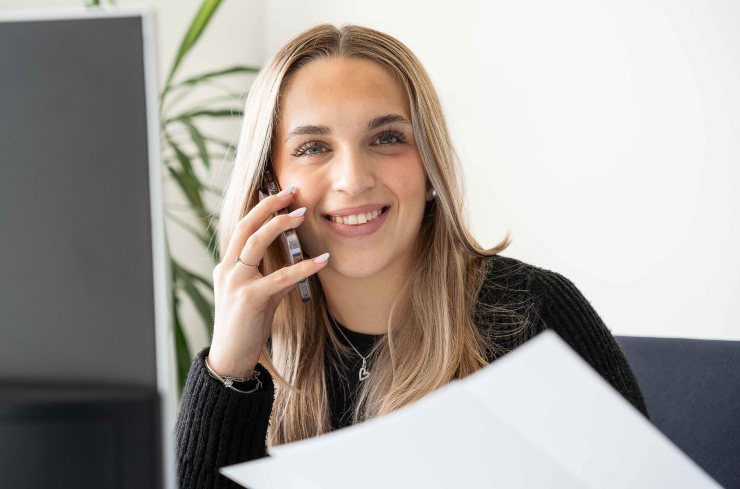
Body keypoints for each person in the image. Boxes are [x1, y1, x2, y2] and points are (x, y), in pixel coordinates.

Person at [175, 24, 648, 488]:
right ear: (270, 186)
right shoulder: (260, 351)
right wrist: (228, 369)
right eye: (313, 147)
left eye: (386, 139)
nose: (354, 179)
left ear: (429, 168)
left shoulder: (531, 311)